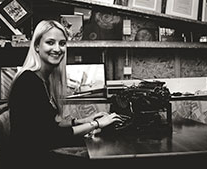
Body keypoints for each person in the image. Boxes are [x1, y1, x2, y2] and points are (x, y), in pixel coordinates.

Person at [7, 20, 122, 169]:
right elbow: (50, 137)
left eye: (62, 43)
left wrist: (83, 120)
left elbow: (47, 125)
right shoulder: (28, 82)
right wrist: (96, 124)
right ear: (36, 46)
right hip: (30, 161)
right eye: (50, 42)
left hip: (40, 153)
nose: (57, 49)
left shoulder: (43, 80)